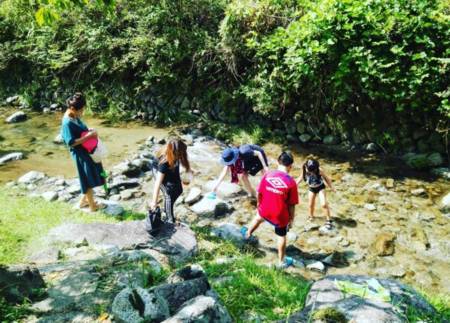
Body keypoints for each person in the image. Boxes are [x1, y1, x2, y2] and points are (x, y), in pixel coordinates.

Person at [242, 151, 299, 269]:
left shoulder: (268, 175)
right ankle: (281, 262)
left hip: (265, 208)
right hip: (279, 214)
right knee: (281, 236)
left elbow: (259, 192)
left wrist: (259, 204)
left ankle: (247, 234)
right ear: (290, 166)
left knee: (258, 218)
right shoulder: (291, 182)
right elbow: (292, 204)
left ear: (278, 162)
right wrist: (291, 219)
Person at [61, 92, 105, 212]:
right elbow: (71, 142)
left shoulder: (74, 116)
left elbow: (80, 130)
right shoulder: (67, 123)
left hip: (86, 151)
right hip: (80, 154)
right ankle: (92, 206)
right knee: (87, 178)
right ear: (72, 108)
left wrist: (88, 131)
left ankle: (83, 202)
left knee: (90, 174)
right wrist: (88, 136)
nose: (82, 113)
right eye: (80, 110)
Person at [149, 138, 192, 224]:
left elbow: (183, 162)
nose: (182, 155)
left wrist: (188, 175)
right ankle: (169, 219)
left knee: (179, 189)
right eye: (181, 154)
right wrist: (154, 202)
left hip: (171, 166)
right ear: (175, 152)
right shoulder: (164, 162)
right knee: (168, 193)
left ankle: (167, 207)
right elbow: (157, 184)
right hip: (158, 172)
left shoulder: (177, 153)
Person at [297, 159, 335, 229]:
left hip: (320, 187)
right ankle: (311, 216)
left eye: (313, 170)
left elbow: (327, 179)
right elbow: (301, 177)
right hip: (311, 188)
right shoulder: (305, 170)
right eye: (310, 170)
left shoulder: (319, 170)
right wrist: (294, 185)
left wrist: (332, 187)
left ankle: (328, 220)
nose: (312, 172)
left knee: (324, 204)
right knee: (310, 204)